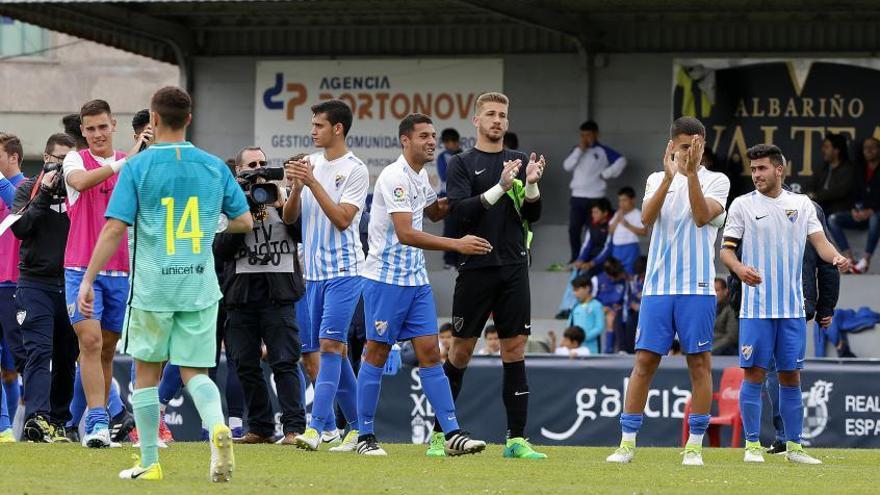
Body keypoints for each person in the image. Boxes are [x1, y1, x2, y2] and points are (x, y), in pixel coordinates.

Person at [78, 86, 253, 481]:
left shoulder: (138, 167)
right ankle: (217, 426)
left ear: (153, 121)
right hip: (199, 285)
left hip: (154, 287)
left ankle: (149, 462)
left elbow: (113, 228)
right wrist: (212, 224)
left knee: (146, 373)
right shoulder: (213, 166)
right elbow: (244, 221)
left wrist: (88, 278)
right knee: (196, 373)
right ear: (189, 119)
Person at [353, 112, 488, 456]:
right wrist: (457, 244)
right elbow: (406, 233)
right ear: (405, 140)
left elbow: (435, 211)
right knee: (377, 352)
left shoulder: (422, 175)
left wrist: (479, 191)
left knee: (431, 354)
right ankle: (364, 436)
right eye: (424, 136)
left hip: (416, 281)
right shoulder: (394, 177)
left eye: (433, 136)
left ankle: (452, 433)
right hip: (385, 280)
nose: (432, 141)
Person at [607, 117, 729, 466]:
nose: (690, 150)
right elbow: (646, 218)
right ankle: (627, 443)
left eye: (696, 144)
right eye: (684, 145)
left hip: (698, 287)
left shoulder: (717, 180)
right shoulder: (655, 178)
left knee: (699, 364)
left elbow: (703, 216)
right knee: (644, 362)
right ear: (672, 145)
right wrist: (671, 177)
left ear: (703, 145)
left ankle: (693, 446)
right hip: (658, 287)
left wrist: (689, 176)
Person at [720, 143, 849, 465]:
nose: (756, 175)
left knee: (791, 377)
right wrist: (738, 268)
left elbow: (821, 245)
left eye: (762, 168)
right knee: (753, 375)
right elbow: (726, 251)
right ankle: (752, 446)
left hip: (792, 308)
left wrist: (837, 257)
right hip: (756, 308)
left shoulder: (802, 204)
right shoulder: (741, 205)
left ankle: (795, 447)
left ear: (780, 169)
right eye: (753, 169)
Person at [441, 91, 547, 459]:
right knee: (460, 352)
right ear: (476, 120)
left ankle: (516, 440)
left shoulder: (519, 160)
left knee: (514, 350)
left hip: (515, 267)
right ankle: (441, 436)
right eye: (490, 114)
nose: (497, 120)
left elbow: (532, 215)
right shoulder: (461, 163)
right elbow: (458, 214)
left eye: (502, 114)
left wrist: (530, 184)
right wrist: (500, 186)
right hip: (475, 269)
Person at [282, 99, 366, 452]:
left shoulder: (356, 169)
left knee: (330, 346)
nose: (312, 130)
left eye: (318, 125)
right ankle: (362, 429)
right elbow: (288, 219)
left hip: (345, 271)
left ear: (338, 129)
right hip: (313, 275)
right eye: (312, 124)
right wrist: (298, 189)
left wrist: (311, 182)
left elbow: (343, 218)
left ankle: (317, 427)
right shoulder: (310, 165)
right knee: (335, 351)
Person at [62, 99, 147, 448]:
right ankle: (97, 422)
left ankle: (73, 417)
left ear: (113, 125)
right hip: (79, 269)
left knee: (106, 350)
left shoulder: (133, 164)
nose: (97, 134)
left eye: (102, 127)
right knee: (91, 342)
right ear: (83, 131)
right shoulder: (75, 160)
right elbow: (81, 183)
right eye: (90, 128)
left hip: (120, 271)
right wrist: (121, 163)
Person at [214, 145, 306, 445]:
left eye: (263, 163)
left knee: (284, 361)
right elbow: (219, 252)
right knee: (245, 363)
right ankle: (260, 427)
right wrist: (245, 214)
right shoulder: (228, 203)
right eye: (252, 165)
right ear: (239, 171)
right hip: (240, 296)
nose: (259, 169)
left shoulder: (284, 200)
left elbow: (302, 233)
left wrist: (281, 203)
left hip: (279, 293)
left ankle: (294, 428)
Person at [10, 133, 79, 443]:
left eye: (70, 162)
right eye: (58, 161)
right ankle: (38, 420)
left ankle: (60, 420)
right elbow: (21, 229)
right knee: (39, 352)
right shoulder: (28, 187)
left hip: (71, 282)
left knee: (67, 355)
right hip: (35, 283)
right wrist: (44, 194)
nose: (63, 168)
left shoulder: (80, 191)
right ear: (47, 159)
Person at [563, 120, 627, 262]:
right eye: (582, 135)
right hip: (577, 196)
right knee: (573, 229)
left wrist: (606, 173)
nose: (585, 138)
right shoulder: (577, 150)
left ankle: (588, 259)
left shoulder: (602, 150)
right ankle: (575, 258)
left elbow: (622, 160)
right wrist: (580, 150)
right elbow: (567, 166)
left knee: (591, 230)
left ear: (596, 134)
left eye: (588, 135)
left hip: (595, 197)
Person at [0, 132, 26, 442]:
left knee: (15, 366)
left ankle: (28, 425)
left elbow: (24, 216)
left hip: (19, 285)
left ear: (13, 157)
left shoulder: (27, 188)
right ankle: (4, 428)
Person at [828, 137, 880, 273]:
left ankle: (865, 261)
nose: (868, 150)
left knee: (875, 217)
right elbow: (853, 194)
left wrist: (871, 210)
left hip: (875, 216)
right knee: (833, 219)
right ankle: (849, 259)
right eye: (865, 147)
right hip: (860, 214)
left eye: (872, 147)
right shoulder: (860, 169)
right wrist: (854, 210)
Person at [555, 199, 611, 319]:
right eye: (592, 212)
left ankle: (574, 308)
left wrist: (592, 263)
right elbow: (587, 245)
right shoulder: (591, 226)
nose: (593, 215)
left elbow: (608, 249)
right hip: (590, 262)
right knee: (576, 273)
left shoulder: (611, 225)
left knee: (584, 280)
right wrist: (580, 260)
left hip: (603, 263)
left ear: (605, 213)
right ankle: (566, 308)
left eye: (596, 212)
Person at [809, 133, 855, 215]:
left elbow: (840, 191)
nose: (823, 150)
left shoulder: (848, 169)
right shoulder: (822, 167)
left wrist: (816, 195)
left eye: (826, 147)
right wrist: (809, 194)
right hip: (820, 207)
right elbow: (810, 185)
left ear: (837, 150)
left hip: (839, 209)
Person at [437, 128, 463, 268]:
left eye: (452, 142)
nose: (449, 146)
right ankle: (449, 260)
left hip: (462, 196)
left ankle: (460, 259)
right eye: (446, 143)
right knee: (449, 229)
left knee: (462, 228)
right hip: (446, 196)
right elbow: (444, 175)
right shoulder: (442, 157)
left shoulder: (465, 155)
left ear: (457, 142)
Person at [608, 186, 647, 274]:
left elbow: (644, 232)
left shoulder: (638, 214)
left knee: (630, 274)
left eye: (624, 200)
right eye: (620, 200)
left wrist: (626, 224)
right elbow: (610, 231)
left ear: (632, 200)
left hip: (630, 248)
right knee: (616, 273)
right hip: (616, 249)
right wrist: (617, 219)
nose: (621, 203)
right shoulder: (617, 214)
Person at [593, 258, 627, 354]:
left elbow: (625, 298)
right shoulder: (597, 280)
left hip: (615, 309)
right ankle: (608, 349)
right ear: (609, 275)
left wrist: (619, 305)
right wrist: (602, 307)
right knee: (610, 317)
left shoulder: (624, 280)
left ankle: (612, 349)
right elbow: (591, 299)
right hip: (600, 308)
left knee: (614, 317)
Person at [566, 275, 604, 354]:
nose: (574, 293)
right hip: (576, 349)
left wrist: (583, 338)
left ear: (587, 288)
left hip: (592, 349)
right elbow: (569, 325)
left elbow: (599, 327)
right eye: (573, 290)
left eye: (577, 290)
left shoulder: (597, 305)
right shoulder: (575, 307)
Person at [711, 278, 738, 356]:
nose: (713, 294)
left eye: (716, 290)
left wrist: (710, 350)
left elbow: (732, 337)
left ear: (726, 291)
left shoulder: (731, 309)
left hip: (724, 352)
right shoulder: (708, 309)